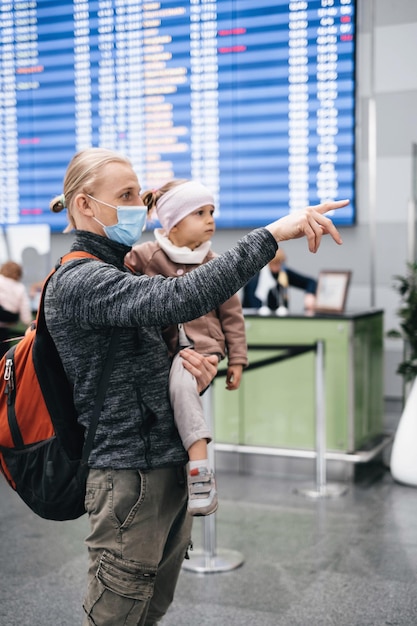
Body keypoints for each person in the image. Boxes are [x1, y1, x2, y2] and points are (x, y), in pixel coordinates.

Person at [46, 146, 346, 626]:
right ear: (85, 205)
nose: (135, 209)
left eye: (137, 196)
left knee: (151, 609)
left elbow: (141, 357)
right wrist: (271, 235)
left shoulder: (120, 269)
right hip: (128, 477)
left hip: (165, 465)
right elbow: (180, 296)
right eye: (124, 196)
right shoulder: (82, 280)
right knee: (117, 615)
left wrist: (183, 362)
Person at [126, 179, 247, 517]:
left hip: (203, 348)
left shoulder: (215, 262)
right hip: (161, 351)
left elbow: (232, 316)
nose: (210, 219)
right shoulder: (144, 256)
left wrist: (237, 359)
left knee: (181, 384)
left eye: (211, 212)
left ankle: (199, 471)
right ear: (174, 222)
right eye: (200, 213)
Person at [242, 247, 318, 315]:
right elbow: (252, 305)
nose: (278, 266)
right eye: (274, 263)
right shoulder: (254, 279)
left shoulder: (283, 273)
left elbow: (310, 282)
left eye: (280, 263)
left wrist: (309, 294)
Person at [0, 261, 33, 357]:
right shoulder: (20, 288)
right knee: (3, 355)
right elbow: (25, 308)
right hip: (7, 322)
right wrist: (28, 323)